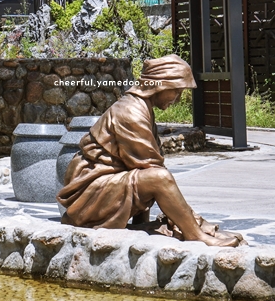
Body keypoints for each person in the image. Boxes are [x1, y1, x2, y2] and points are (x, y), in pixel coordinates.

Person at [57, 54, 243, 247]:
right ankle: (196, 235)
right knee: (158, 178)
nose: (178, 99)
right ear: (160, 85)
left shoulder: (142, 107)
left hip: (102, 187)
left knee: (148, 176)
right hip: (88, 197)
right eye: (176, 91)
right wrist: (195, 221)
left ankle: (150, 226)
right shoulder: (131, 113)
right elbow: (153, 170)